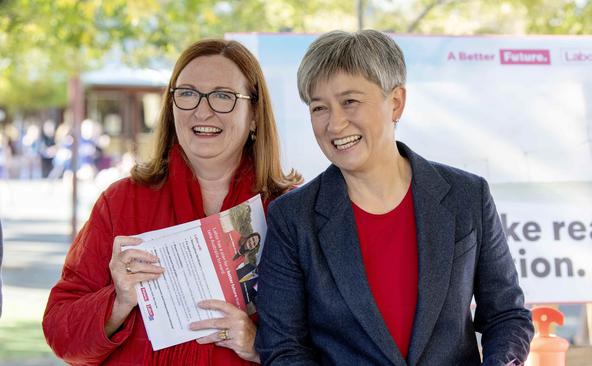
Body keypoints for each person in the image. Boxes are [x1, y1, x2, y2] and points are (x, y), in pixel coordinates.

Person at [255, 30, 534, 365]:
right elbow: (283, 347)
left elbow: (506, 316)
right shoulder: (292, 218)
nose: (334, 124)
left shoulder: (467, 196)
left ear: (396, 102)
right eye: (319, 108)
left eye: (350, 102)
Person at [43, 38, 301, 365]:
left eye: (223, 96)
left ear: (254, 114)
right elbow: (60, 332)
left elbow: (329, 343)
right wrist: (117, 303)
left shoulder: (289, 213)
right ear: (171, 107)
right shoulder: (123, 202)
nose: (202, 110)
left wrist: (258, 345)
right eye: (188, 94)